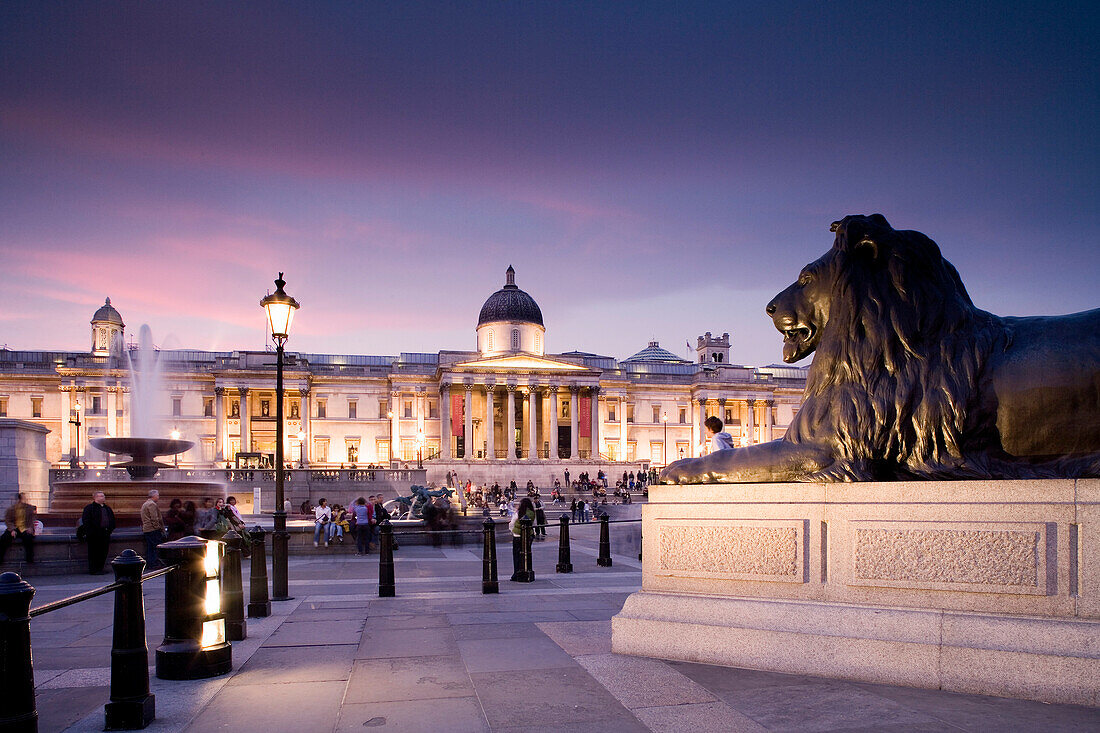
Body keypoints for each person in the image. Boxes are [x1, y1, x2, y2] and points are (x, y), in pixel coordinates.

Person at [81, 491, 116, 574]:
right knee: (93, 552)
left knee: (103, 552)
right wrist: (91, 531)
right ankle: (93, 569)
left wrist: (110, 529)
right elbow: (86, 521)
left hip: (105, 533)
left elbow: (112, 519)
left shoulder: (107, 508)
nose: (103, 498)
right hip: (94, 535)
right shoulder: (89, 508)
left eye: (103, 496)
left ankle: (100, 568)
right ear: (95, 498)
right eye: (100, 496)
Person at [0, 493, 37, 565]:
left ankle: (30, 560)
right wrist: (12, 529)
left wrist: (30, 528)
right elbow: (8, 520)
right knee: (3, 538)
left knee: (28, 539)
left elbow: (32, 519)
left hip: (25, 528)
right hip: (15, 528)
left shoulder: (30, 508)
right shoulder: (11, 509)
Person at [509, 497, 536, 582]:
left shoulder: (519, 512)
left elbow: (512, 522)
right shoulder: (532, 512)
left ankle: (516, 573)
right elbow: (534, 523)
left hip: (517, 535)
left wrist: (512, 530)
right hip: (528, 535)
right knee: (526, 554)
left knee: (516, 555)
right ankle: (527, 571)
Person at [140, 490, 166, 568]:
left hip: (147, 529)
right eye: (157, 495)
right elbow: (154, 518)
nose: (158, 497)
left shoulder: (145, 504)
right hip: (152, 529)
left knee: (150, 547)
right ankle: (154, 563)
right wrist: (158, 527)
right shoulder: (152, 504)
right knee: (155, 547)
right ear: (153, 496)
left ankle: (150, 563)